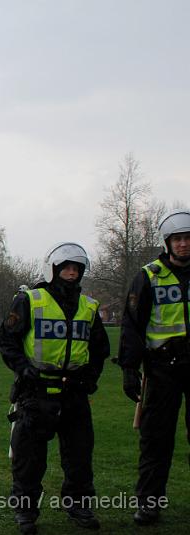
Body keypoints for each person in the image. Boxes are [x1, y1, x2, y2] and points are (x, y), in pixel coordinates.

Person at [0, 242, 110, 534]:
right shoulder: (29, 300)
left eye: (76, 269)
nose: (71, 274)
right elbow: (6, 340)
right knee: (29, 458)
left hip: (74, 392)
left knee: (79, 456)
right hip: (37, 391)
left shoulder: (89, 306)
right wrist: (23, 369)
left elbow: (100, 348)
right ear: (53, 270)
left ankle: (79, 506)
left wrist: (91, 377)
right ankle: (25, 511)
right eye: (66, 268)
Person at [117, 209, 190, 526]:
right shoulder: (148, 276)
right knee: (156, 441)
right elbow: (132, 325)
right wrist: (129, 369)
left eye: (188, 239)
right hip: (163, 368)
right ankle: (149, 503)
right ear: (167, 243)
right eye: (178, 239)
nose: (184, 244)